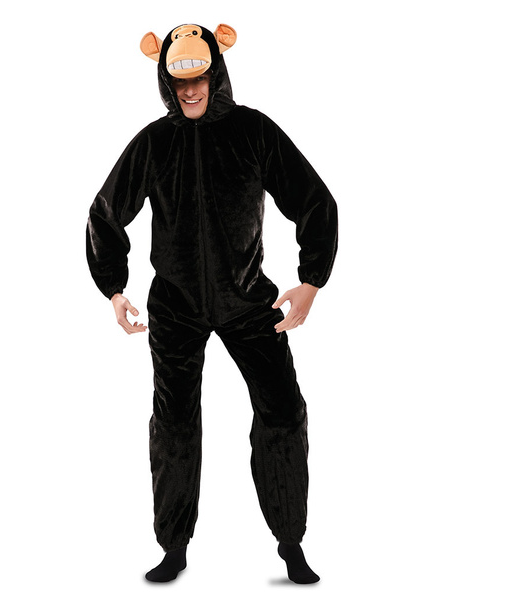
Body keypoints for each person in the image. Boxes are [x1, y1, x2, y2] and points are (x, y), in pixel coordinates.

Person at [85, 23, 338, 584]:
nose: (191, 91)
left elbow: (314, 199)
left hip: (248, 300)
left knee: (284, 412)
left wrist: (311, 281)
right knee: (173, 425)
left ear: (216, 74)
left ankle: (290, 542)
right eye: (181, 83)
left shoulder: (253, 131)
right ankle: (174, 547)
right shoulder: (154, 143)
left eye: (200, 79)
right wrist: (115, 289)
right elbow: (105, 212)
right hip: (175, 307)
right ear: (166, 83)